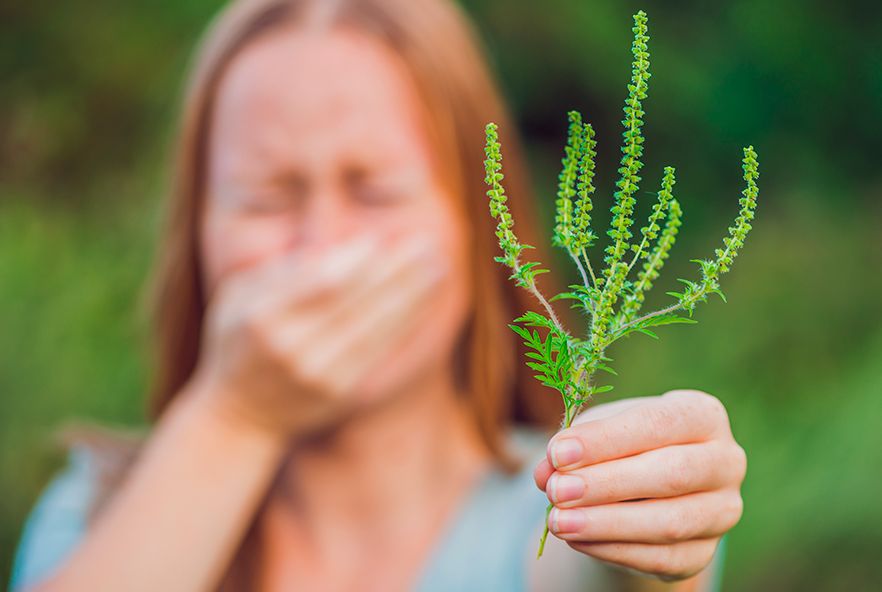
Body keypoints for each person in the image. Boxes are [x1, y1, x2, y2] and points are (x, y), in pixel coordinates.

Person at [9, 0, 747, 590]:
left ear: (480, 227)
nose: (323, 246)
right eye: (266, 198)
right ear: (195, 233)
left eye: (377, 192)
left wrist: (651, 542)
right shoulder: (100, 513)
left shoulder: (534, 512)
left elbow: (598, 573)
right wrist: (235, 417)